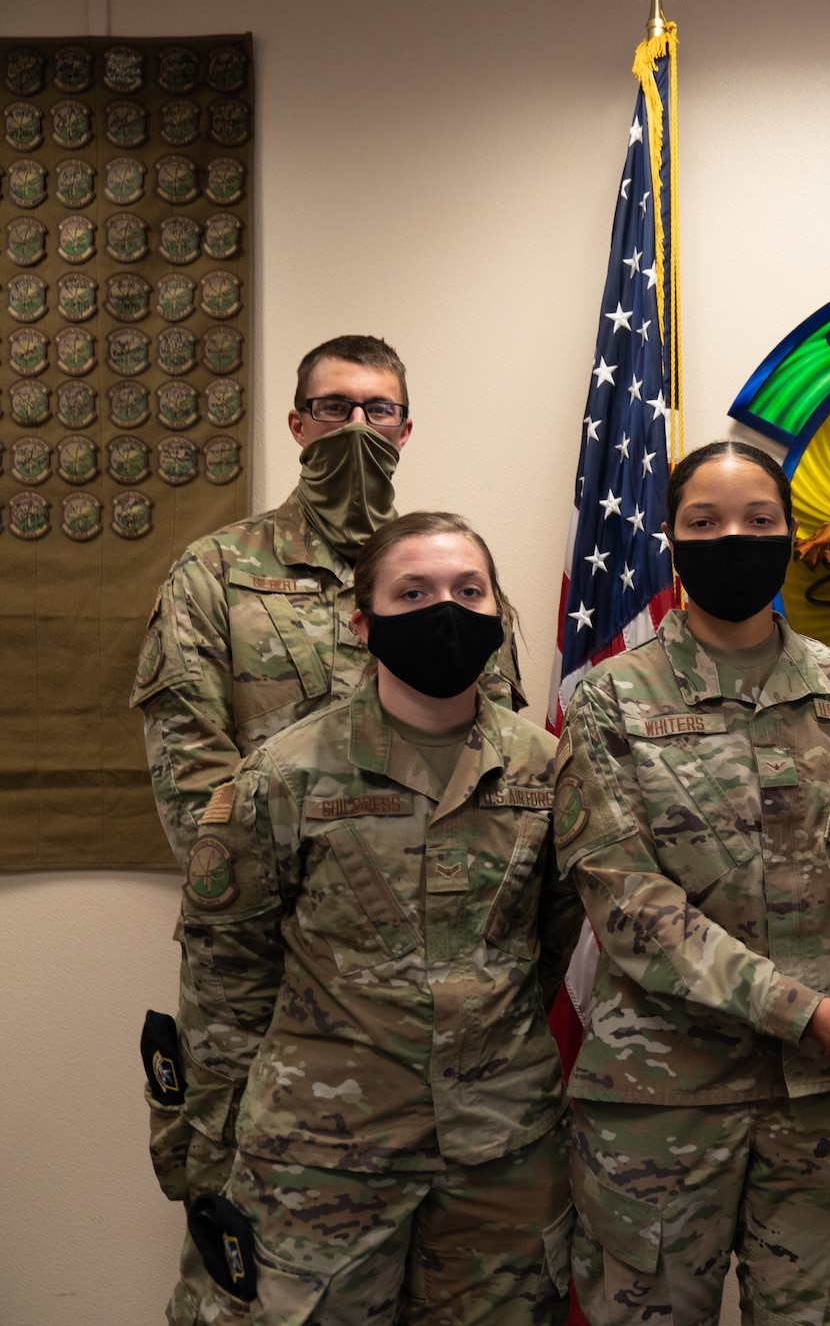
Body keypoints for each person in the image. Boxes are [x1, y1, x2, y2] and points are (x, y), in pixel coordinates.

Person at [132, 335, 527, 1325]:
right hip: (268, 985)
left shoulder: (453, 575)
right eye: (335, 407)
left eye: (379, 409)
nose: (358, 427)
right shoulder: (216, 575)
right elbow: (196, 793)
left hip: (446, 1006)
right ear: (297, 422)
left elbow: (507, 770)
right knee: (260, 1280)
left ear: (406, 427)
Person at [553, 440, 830, 1326]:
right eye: (706, 522)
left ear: (790, 534)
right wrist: (807, 1013)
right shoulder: (613, 696)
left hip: (827, 1107)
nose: (734, 537)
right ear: (670, 538)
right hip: (662, 1104)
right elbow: (632, 911)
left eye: (759, 521)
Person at [174, 512, 582, 1324]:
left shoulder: (547, 767)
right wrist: (212, 1146)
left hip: (500, 1155)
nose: (447, 610)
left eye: (470, 590)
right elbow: (227, 973)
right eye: (414, 591)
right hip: (322, 1154)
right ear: (363, 623)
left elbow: (548, 941)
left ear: (499, 613)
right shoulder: (285, 775)